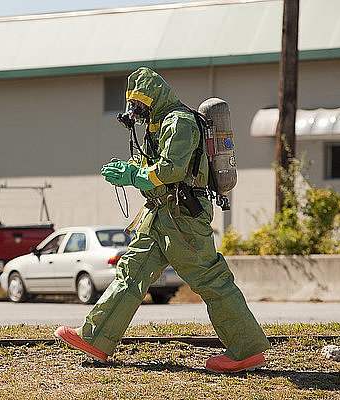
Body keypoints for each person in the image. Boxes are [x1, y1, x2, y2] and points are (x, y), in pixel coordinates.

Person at [55, 67, 271, 373]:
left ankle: (247, 349)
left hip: (182, 218)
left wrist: (133, 175)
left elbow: (171, 170)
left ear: (154, 97)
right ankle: (96, 338)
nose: (138, 112)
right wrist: (130, 167)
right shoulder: (158, 125)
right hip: (159, 214)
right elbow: (153, 167)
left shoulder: (179, 121)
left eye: (141, 105)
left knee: (211, 280)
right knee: (130, 274)